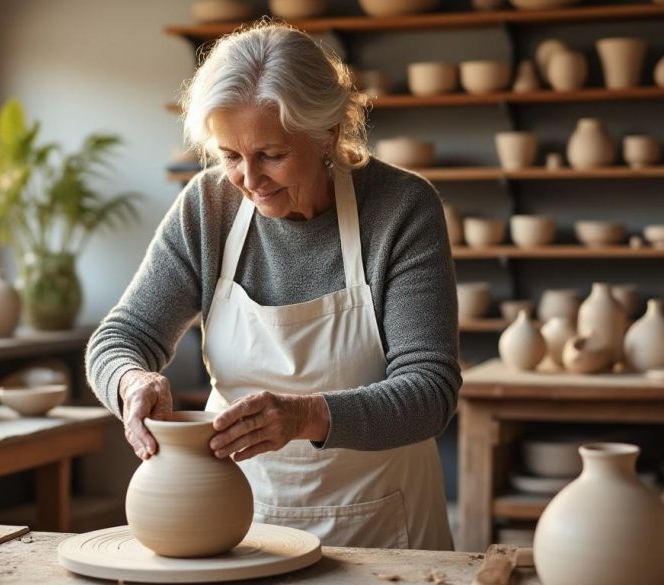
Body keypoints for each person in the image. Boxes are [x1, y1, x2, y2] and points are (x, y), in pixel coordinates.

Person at [86, 21, 461, 551]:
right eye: (230, 156)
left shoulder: (401, 208)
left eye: (271, 155)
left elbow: (431, 391)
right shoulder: (208, 206)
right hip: (239, 524)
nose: (250, 180)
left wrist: (305, 415)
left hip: (382, 528)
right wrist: (129, 382)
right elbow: (120, 336)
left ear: (328, 133)